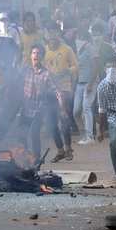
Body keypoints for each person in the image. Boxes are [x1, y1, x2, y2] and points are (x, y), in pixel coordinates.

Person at [18, 45, 66, 163]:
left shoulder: (47, 74)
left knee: (37, 131)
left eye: (39, 53)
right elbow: (17, 86)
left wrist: (62, 108)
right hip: (26, 108)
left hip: (41, 108)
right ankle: (26, 154)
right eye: (34, 53)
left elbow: (57, 92)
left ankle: (38, 158)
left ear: (42, 57)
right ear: (30, 56)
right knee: (21, 131)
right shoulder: (25, 71)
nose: (36, 56)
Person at [43, 22, 78, 162]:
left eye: (55, 32)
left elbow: (76, 66)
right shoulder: (44, 51)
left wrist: (66, 71)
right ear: (47, 35)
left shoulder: (67, 49)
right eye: (50, 33)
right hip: (49, 91)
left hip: (64, 90)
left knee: (64, 121)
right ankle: (60, 150)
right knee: (51, 124)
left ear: (59, 34)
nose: (52, 35)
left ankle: (69, 149)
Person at [74, 28, 100, 145]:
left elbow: (96, 66)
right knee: (76, 111)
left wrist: (91, 82)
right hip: (79, 82)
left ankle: (89, 136)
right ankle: (84, 134)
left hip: (90, 82)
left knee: (86, 108)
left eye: (78, 37)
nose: (77, 39)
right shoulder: (78, 50)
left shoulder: (90, 48)